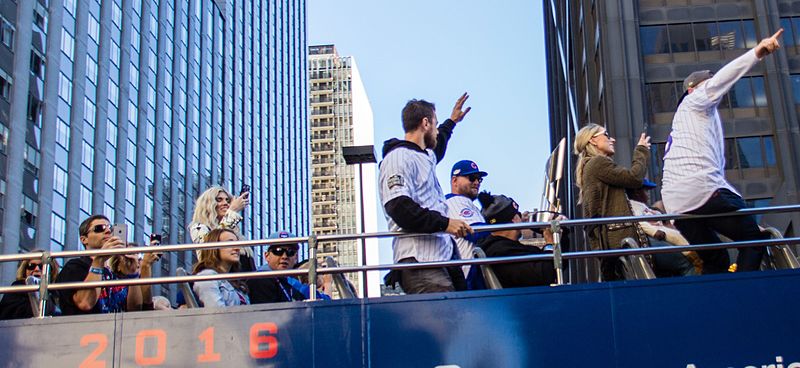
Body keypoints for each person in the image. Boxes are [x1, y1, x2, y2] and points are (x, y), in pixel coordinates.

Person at [661, 29, 784, 274]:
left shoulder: (693, 120)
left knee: (715, 260)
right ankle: (742, 296)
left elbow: (717, 172)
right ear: (693, 88)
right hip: (700, 190)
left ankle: (713, 304)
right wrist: (757, 53)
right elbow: (720, 82)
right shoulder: (693, 101)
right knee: (754, 240)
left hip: (676, 202)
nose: (714, 88)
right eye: (708, 83)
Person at [379, 94, 474, 294]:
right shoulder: (398, 157)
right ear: (425, 123)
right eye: (436, 125)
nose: (438, 131)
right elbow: (399, 207)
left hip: (443, 258)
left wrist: (452, 121)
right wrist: (446, 223)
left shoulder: (425, 156)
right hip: (421, 262)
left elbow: (438, 146)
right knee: (444, 322)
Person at [574, 124, 651, 281]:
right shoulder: (597, 164)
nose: (613, 139)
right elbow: (634, 178)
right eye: (607, 135)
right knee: (686, 259)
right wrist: (641, 150)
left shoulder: (592, 166)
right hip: (622, 242)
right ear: (593, 140)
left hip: (616, 244)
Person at [56, 215, 143, 315]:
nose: (107, 231)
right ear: (84, 239)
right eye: (99, 228)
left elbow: (135, 310)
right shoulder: (74, 266)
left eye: (110, 228)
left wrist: (133, 275)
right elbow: (85, 303)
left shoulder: (116, 270)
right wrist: (99, 260)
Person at [476, 192, 556, 287]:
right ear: (514, 219)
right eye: (519, 214)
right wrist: (550, 243)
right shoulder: (501, 252)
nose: (522, 218)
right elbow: (544, 275)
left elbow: (557, 267)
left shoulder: (497, 247)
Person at [627, 180, 701, 276]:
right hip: (653, 240)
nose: (648, 195)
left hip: (667, 236)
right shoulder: (633, 205)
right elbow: (638, 221)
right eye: (646, 191)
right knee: (688, 263)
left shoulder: (646, 207)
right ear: (637, 192)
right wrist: (655, 231)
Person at [189, 186, 255, 271]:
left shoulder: (234, 230)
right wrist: (232, 212)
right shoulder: (199, 227)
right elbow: (207, 253)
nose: (225, 203)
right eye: (219, 200)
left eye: (227, 200)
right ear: (208, 204)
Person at [192, 228, 249, 307]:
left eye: (237, 244)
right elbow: (216, 312)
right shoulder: (207, 276)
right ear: (215, 247)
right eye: (230, 243)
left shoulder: (237, 284)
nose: (237, 248)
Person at [248, 231, 305, 303]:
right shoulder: (259, 280)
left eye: (290, 252)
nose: (284, 256)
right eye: (278, 251)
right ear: (266, 256)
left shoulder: (291, 288)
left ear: (296, 257)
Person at [0, 250, 60, 320]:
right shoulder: (16, 289)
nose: (36, 269)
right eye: (31, 266)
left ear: (51, 271)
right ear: (25, 270)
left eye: (42, 266)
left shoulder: (57, 293)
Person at [108, 242, 161, 310]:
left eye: (138, 258)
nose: (135, 261)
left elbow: (146, 307)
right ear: (118, 266)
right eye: (129, 255)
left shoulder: (141, 282)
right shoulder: (111, 282)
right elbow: (134, 310)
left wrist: (144, 267)